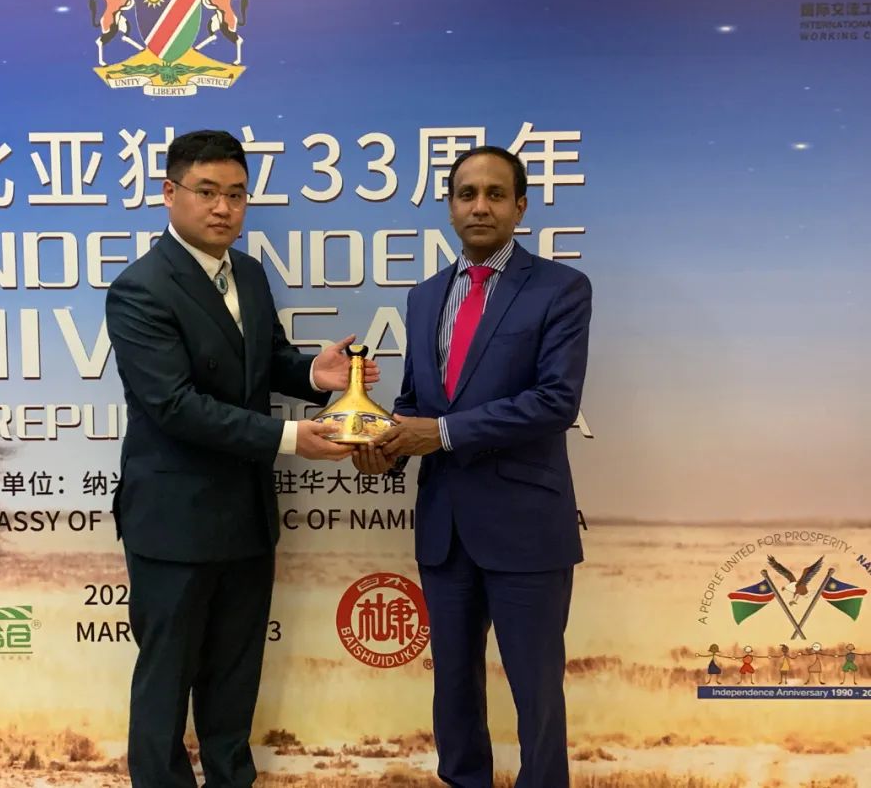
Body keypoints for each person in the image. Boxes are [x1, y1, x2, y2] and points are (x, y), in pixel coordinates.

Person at [106, 129, 376, 788]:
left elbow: (265, 359)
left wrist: (312, 374)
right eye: (206, 192)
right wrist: (289, 438)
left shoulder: (248, 273)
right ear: (169, 193)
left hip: (246, 517)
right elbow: (175, 406)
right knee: (166, 683)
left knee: (233, 683)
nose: (223, 208)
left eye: (236, 194)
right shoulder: (140, 289)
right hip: (174, 522)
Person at [354, 145, 592, 788]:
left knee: (536, 695)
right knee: (454, 692)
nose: (479, 206)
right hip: (445, 526)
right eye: (466, 194)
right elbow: (416, 401)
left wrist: (441, 433)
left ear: (520, 206)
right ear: (450, 207)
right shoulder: (425, 296)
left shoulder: (561, 289)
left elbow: (555, 401)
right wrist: (386, 448)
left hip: (526, 527)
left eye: (494, 194)